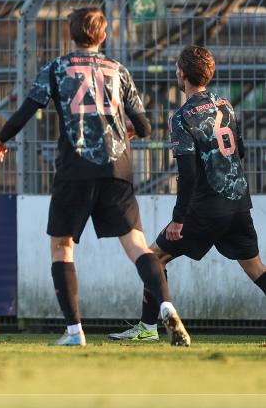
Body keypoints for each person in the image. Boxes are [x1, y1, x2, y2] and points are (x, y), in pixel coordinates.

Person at [0, 8, 191, 347]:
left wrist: (0, 140)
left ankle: (74, 332)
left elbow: (26, 110)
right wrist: (121, 130)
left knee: (62, 246)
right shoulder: (119, 71)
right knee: (138, 247)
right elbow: (143, 126)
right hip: (118, 169)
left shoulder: (56, 68)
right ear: (104, 36)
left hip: (75, 169)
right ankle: (167, 305)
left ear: (71, 35)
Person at [110, 46, 266, 342]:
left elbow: (190, 174)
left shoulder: (182, 116)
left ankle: (148, 328)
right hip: (237, 203)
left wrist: (179, 218)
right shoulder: (225, 105)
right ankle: (148, 328)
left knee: (152, 257)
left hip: (206, 208)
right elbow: (239, 150)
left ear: (181, 74)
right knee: (256, 267)